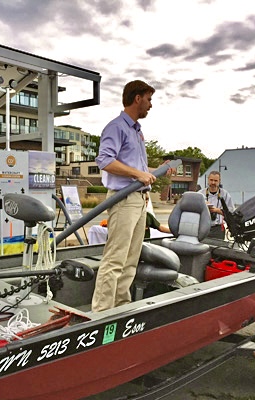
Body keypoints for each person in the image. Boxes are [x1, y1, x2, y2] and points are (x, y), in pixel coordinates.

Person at [91, 79, 171, 312]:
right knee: (115, 258)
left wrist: (158, 169)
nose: (150, 105)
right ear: (138, 98)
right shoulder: (116, 127)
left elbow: (136, 168)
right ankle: (102, 311)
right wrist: (138, 174)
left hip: (139, 200)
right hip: (123, 200)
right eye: (149, 99)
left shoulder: (137, 132)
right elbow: (104, 160)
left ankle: (121, 307)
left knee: (130, 260)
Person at [198, 171, 234, 239]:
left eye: (215, 180)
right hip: (203, 227)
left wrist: (218, 210)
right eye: (211, 180)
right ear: (208, 179)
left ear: (219, 181)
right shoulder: (200, 194)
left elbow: (231, 213)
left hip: (218, 229)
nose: (213, 183)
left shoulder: (225, 194)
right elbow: (194, 210)